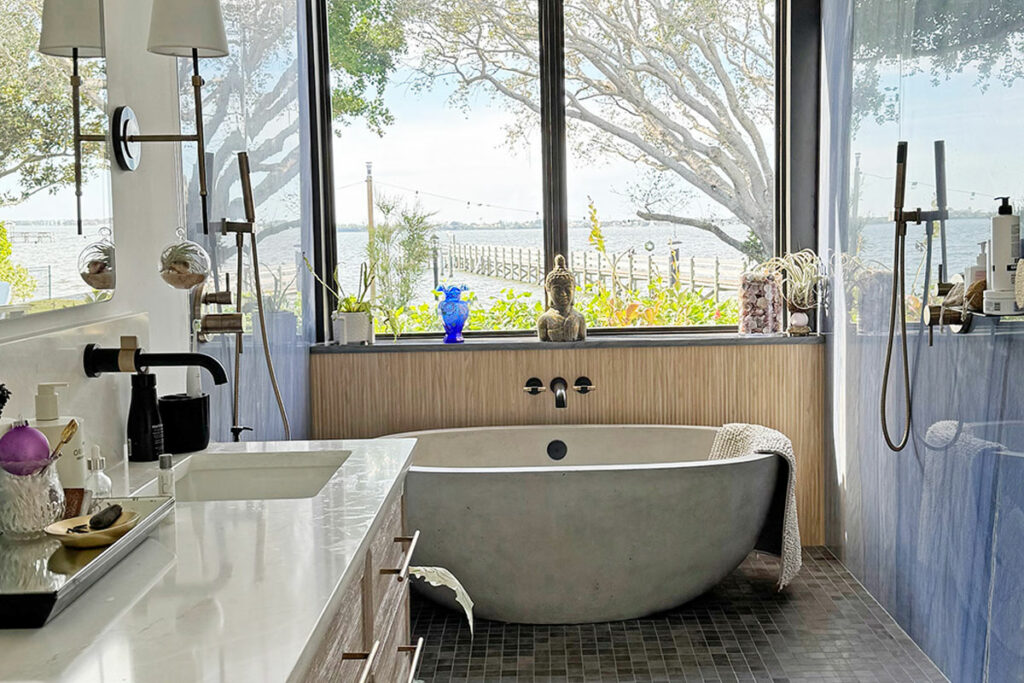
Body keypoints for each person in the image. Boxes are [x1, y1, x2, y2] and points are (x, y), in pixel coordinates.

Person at [537, 254, 586, 342]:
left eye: (567, 289)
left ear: (573, 289)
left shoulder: (579, 318)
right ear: (548, 290)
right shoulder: (544, 320)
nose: (563, 294)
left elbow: (582, 341)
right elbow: (542, 344)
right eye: (557, 289)